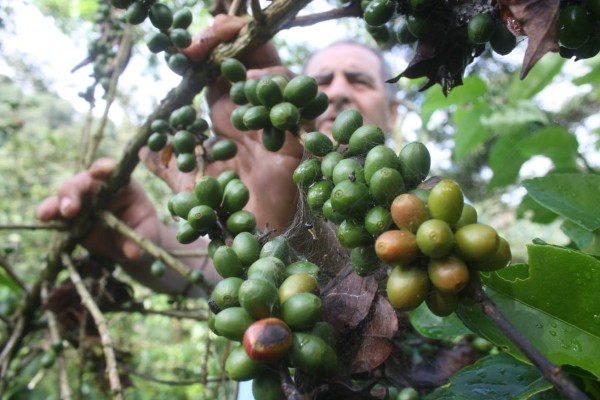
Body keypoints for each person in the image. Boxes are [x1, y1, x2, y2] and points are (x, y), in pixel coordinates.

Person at [36, 15, 399, 296]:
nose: (336, 92)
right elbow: (217, 279)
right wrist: (146, 242)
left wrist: (308, 239)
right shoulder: (261, 179)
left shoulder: (439, 209)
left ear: (394, 112)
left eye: (359, 80)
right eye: (321, 81)